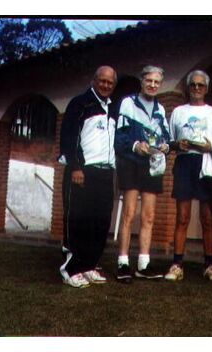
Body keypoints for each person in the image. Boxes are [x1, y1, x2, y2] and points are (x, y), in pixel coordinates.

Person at [59, 66, 118, 288]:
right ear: (94, 80)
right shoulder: (80, 103)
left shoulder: (113, 109)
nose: (105, 85)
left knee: (100, 222)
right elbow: (69, 137)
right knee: (78, 221)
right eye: (102, 81)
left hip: (105, 174)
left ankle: (89, 265)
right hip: (82, 172)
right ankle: (71, 269)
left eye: (110, 82)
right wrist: (75, 167)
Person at [164, 70, 212, 282]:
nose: (196, 88)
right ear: (188, 88)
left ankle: (209, 265)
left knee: (207, 219)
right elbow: (169, 142)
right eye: (193, 85)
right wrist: (175, 145)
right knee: (182, 217)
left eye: (200, 85)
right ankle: (177, 264)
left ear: (206, 89)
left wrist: (210, 146)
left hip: (206, 164)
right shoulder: (179, 111)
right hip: (184, 163)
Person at [114, 65, 170, 283]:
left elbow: (165, 136)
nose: (153, 85)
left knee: (148, 216)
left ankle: (143, 265)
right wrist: (136, 145)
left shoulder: (160, 109)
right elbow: (119, 138)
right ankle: (123, 263)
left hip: (152, 165)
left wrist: (165, 146)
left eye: (157, 82)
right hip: (131, 163)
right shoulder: (128, 103)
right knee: (129, 214)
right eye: (149, 81)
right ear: (142, 81)